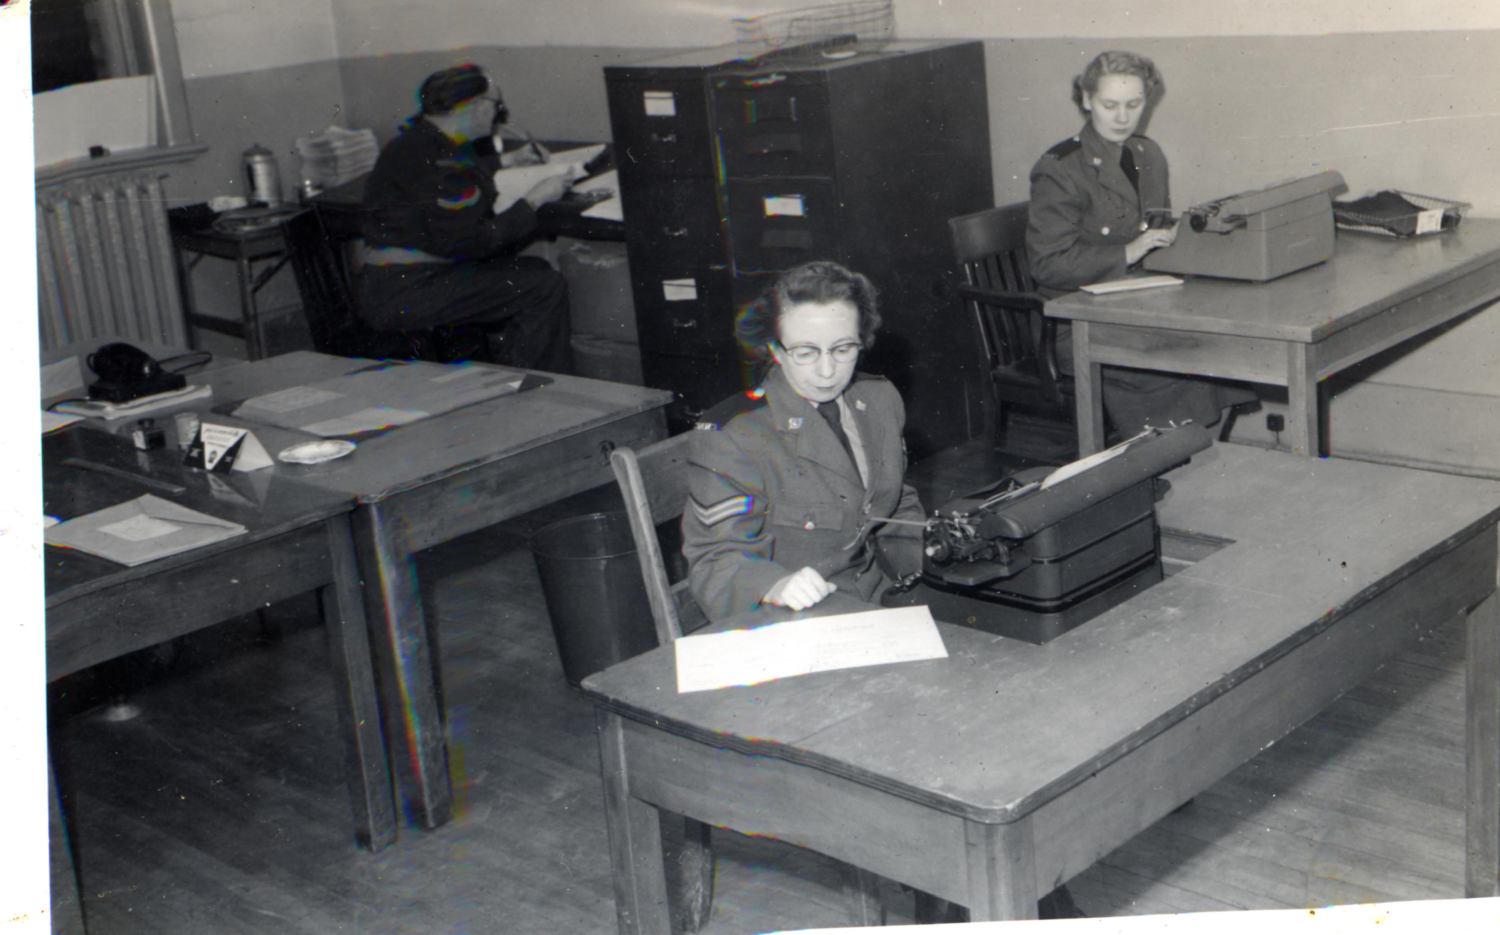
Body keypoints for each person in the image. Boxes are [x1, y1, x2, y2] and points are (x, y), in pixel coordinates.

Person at [681, 261, 925, 623]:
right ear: (777, 351)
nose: (827, 371)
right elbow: (716, 558)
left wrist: (932, 565)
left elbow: (893, 503)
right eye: (806, 352)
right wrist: (775, 585)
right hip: (790, 617)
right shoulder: (734, 435)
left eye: (843, 349)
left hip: (878, 599)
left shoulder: (879, 399)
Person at [1027, 50, 1254, 436]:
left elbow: (1157, 231)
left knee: (1220, 349)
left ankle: (1189, 462)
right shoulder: (1060, 168)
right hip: (1076, 321)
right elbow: (1047, 265)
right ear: (1086, 100)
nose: (1122, 117)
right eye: (1109, 105)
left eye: (1133, 105)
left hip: (1141, 304)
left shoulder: (1149, 154)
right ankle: (1165, 466)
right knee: (1176, 367)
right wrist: (1129, 251)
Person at [358, 64, 573, 371]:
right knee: (542, 284)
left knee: (531, 273)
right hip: (410, 290)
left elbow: (449, 181)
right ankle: (537, 391)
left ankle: (515, 376)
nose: (497, 115)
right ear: (472, 106)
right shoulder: (444, 159)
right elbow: (474, 242)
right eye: (495, 106)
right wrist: (536, 198)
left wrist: (505, 160)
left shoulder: (420, 141)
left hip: (394, 280)